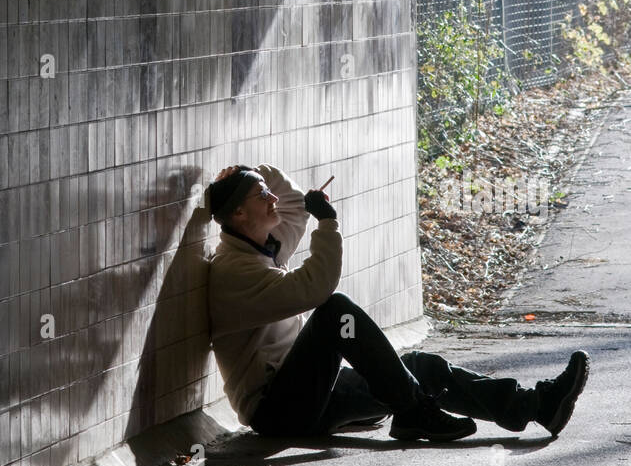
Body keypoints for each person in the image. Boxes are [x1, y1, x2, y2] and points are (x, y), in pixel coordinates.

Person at [206, 163, 589, 443]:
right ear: (239, 214)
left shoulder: (262, 248)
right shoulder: (235, 273)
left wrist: (249, 174)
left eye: (265, 191)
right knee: (336, 312)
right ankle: (413, 411)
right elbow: (316, 289)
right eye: (261, 196)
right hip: (277, 411)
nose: (272, 198)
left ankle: (535, 405)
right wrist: (327, 223)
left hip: (316, 393)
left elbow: (288, 198)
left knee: (420, 367)